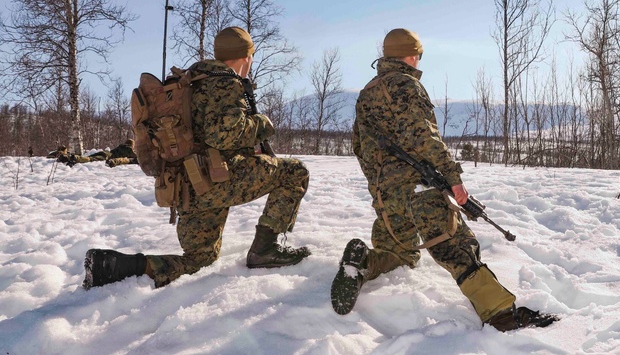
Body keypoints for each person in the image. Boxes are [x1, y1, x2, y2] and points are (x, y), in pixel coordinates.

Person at [332, 28, 557, 332]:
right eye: (419, 54)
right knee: (456, 246)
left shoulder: (367, 93)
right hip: (418, 190)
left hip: (386, 195)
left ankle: (365, 262)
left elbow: (360, 147)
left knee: (400, 253)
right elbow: (426, 137)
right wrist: (454, 180)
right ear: (411, 55)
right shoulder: (407, 85)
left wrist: (382, 184)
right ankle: (501, 314)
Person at [83, 27, 311, 289]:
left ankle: (114, 266)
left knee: (200, 259)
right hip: (216, 180)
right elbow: (223, 135)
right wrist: (262, 124)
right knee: (294, 172)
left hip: (186, 188)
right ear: (245, 56)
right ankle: (265, 250)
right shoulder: (225, 82)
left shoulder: (189, 82)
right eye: (251, 56)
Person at [66, 139, 137, 166]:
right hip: (108, 156)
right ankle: (76, 158)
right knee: (92, 159)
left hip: (105, 152)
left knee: (89, 157)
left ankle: (69, 158)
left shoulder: (121, 146)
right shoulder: (129, 149)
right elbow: (136, 157)